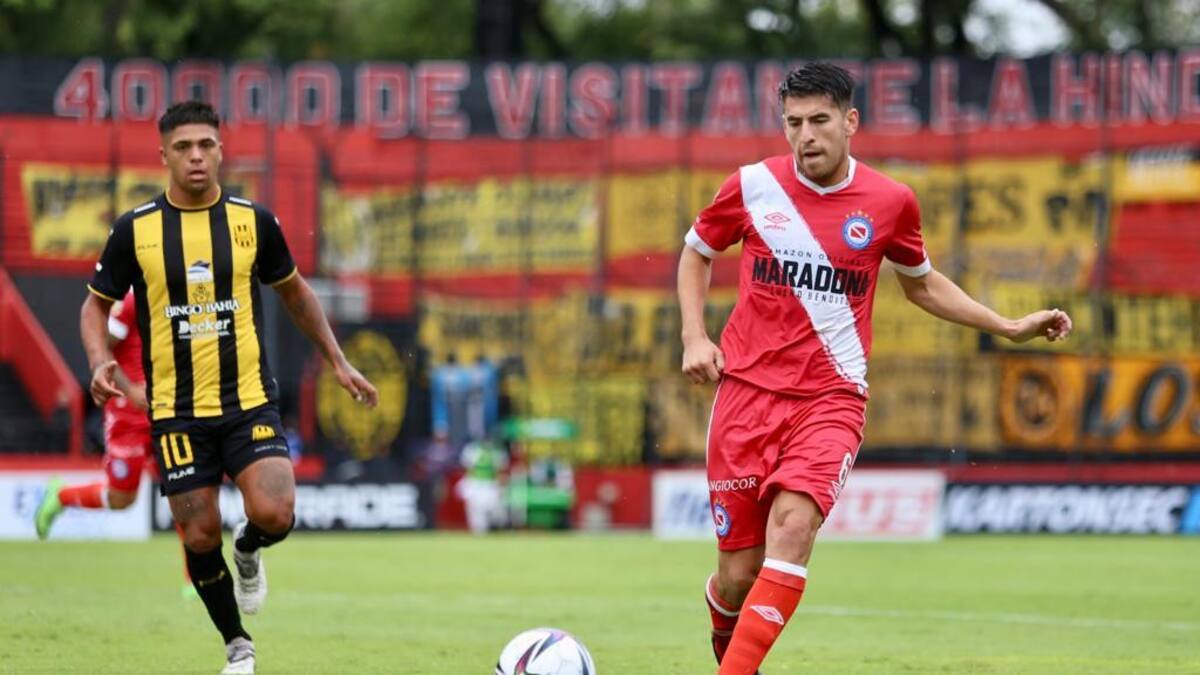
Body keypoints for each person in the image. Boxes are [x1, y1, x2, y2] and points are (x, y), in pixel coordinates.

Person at [677, 63, 1072, 675]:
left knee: (793, 529)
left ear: (850, 121)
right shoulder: (753, 185)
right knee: (737, 578)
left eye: (818, 120)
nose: (805, 135)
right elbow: (697, 252)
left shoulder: (890, 202)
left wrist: (1008, 325)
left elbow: (923, 285)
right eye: (793, 123)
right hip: (745, 396)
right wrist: (694, 336)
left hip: (830, 399)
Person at [80, 100, 378, 675]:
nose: (197, 156)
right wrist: (99, 360)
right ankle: (237, 646)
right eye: (184, 147)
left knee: (276, 511)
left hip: (247, 401)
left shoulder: (253, 222)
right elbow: (95, 308)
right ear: (163, 154)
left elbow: (295, 294)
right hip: (176, 411)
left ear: (221, 149)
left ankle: (249, 550)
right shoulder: (136, 229)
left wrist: (337, 361)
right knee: (197, 534)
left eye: (206, 145)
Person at [35, 290, 195, 597]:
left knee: (185, 489)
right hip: (127, 414)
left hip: (168, 411)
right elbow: (104, 350)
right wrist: (131, 390)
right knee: (122, 499)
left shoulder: (182, 291)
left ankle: (194, 580)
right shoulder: (134, 297)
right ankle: (63, 495)